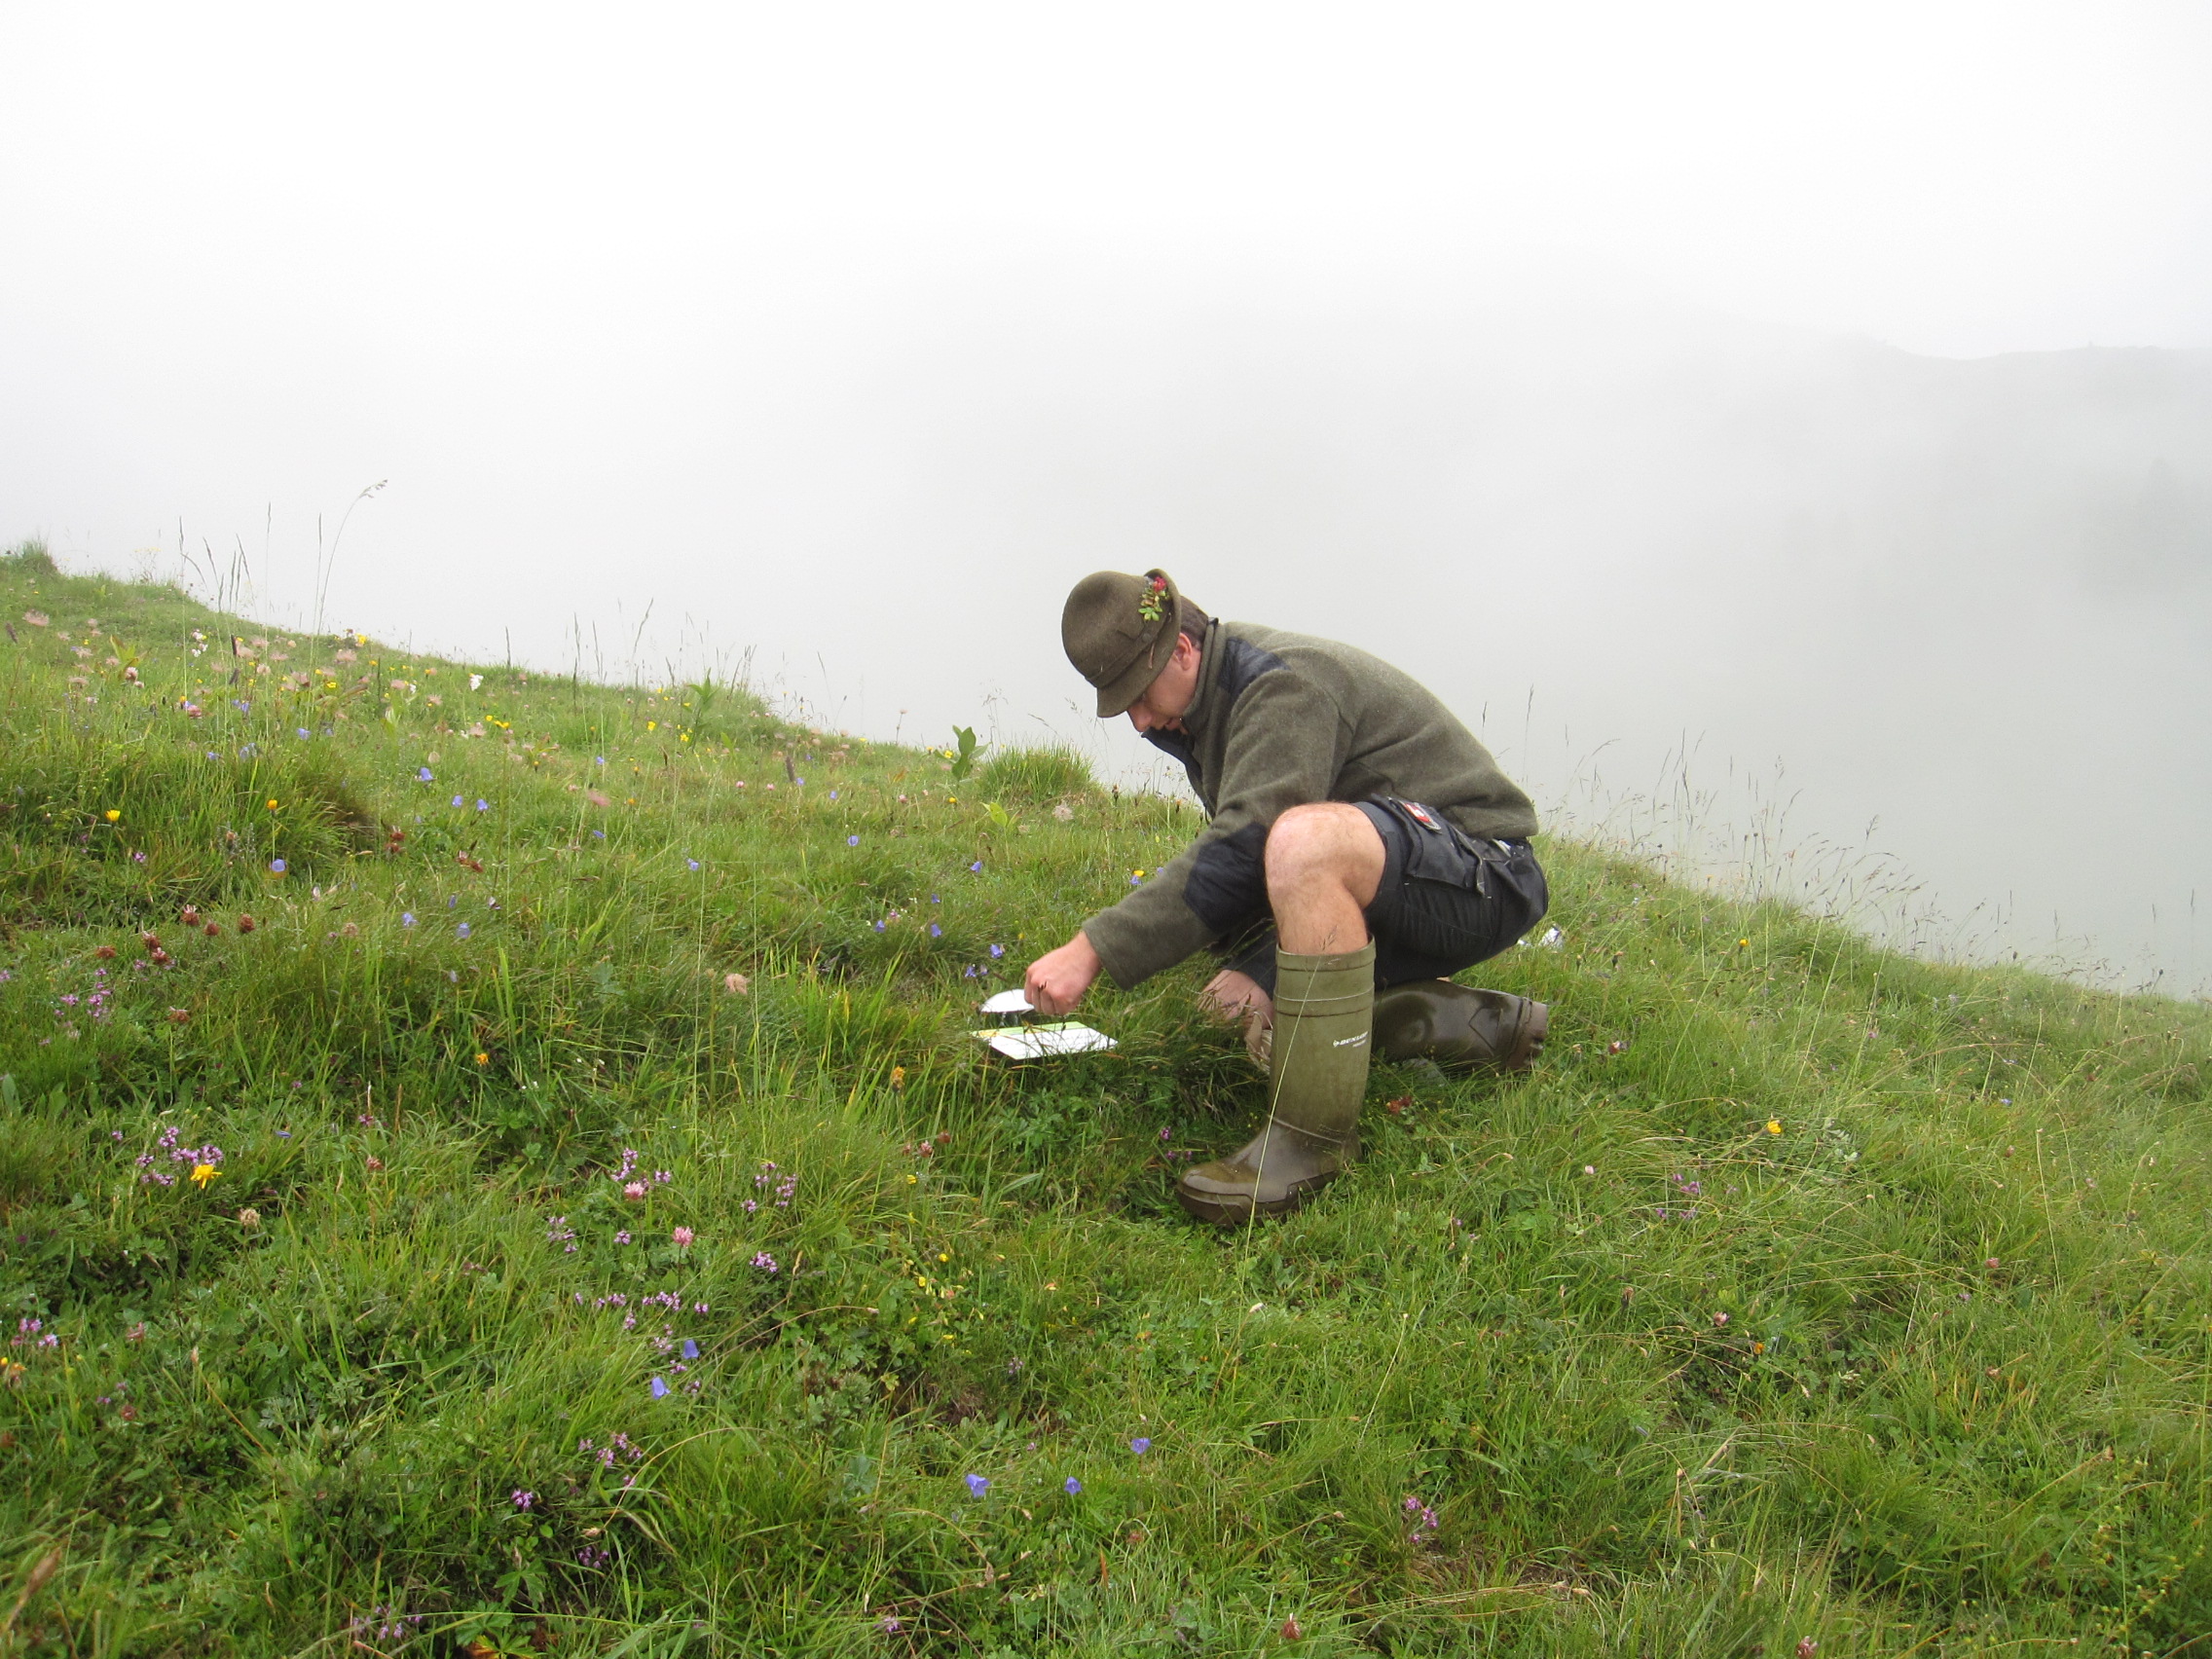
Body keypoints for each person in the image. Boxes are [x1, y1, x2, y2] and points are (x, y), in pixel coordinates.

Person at [1023, 568, 1552, 1225]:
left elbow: (1249, 846)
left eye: (1138, 694)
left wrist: (1093, 949)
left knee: (1301, 841)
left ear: (1181, 649)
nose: (1138, 721)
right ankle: (1457, 1021)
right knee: (1226, 1010)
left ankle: (1312, 1140)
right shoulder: (1204, 701)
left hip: (1483, 873)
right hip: (1394, 880)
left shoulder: (1282, 686)